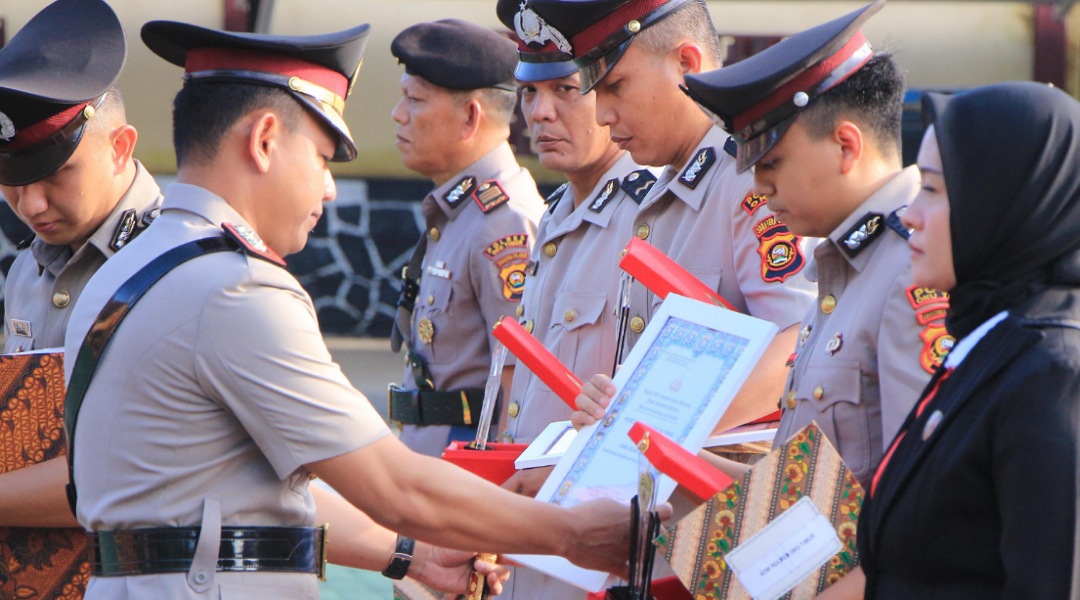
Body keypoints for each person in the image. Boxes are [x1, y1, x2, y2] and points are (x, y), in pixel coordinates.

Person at [61, 18, 642, 600]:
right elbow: (394, 486)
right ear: (264, 141)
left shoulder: (129, 266)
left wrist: (412, 555)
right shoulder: (234, 289)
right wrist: (572, 534)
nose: (330, 188)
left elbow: (244, 499)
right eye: (320, 156)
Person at [672, 0, 954, 489]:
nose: (759, 187)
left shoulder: (912, 269)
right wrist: (657, 449)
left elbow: (920, 495)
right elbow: (809, 492)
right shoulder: (844, 266)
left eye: (773, 162)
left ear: (846, 146)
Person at [525, 0, 816, 436]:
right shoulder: (660, 197)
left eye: (616, 86)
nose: (603, 114)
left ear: (686, 64)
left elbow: (798, 344)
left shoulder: (749, 183)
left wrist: (640, 433)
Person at [840, 82, 1080, 599]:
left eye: (933, 189)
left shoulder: (1054, 375)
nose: (909, 215)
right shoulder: (989, 344)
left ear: (1001, 199)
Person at [0, 2, 163, 598]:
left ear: (121, 146)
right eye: (12, 182)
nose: (32, 205)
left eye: (56, 174)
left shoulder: (175, 268)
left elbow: (133, 471)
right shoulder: (28, 265)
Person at [495, 1, 650, 597]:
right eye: (529, 94)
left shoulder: (649, 211)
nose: (541, 113)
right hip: (535, 531)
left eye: (565, 90)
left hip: (599, 535)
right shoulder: (557, 211)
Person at [388, 19, 546, 457]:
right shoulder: (463, 210)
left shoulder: (502, 222)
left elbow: (518, 386)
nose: (398, 115)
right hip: (434, 469)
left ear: (470, 116)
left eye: (414, 100)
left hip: (463, 480)